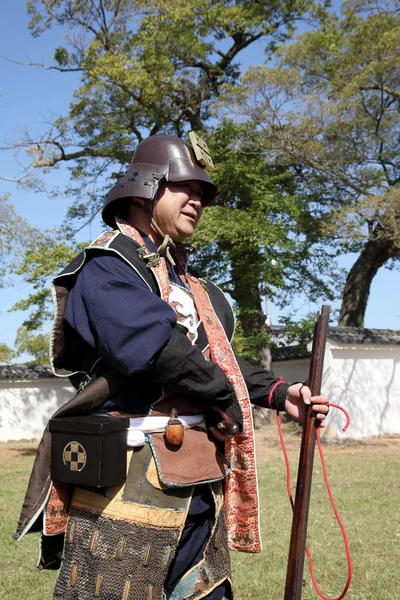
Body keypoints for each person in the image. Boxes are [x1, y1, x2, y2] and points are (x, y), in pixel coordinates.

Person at [15, 134, 328, 600]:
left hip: (199, 480)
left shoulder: (184, 280)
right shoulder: (108, 265)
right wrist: (224, 397)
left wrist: (282, 394)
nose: (197, 200)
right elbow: (158, 347)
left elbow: (212, 356)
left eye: (203, 193)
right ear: (147, 187)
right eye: (185, 187)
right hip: (123, 488)